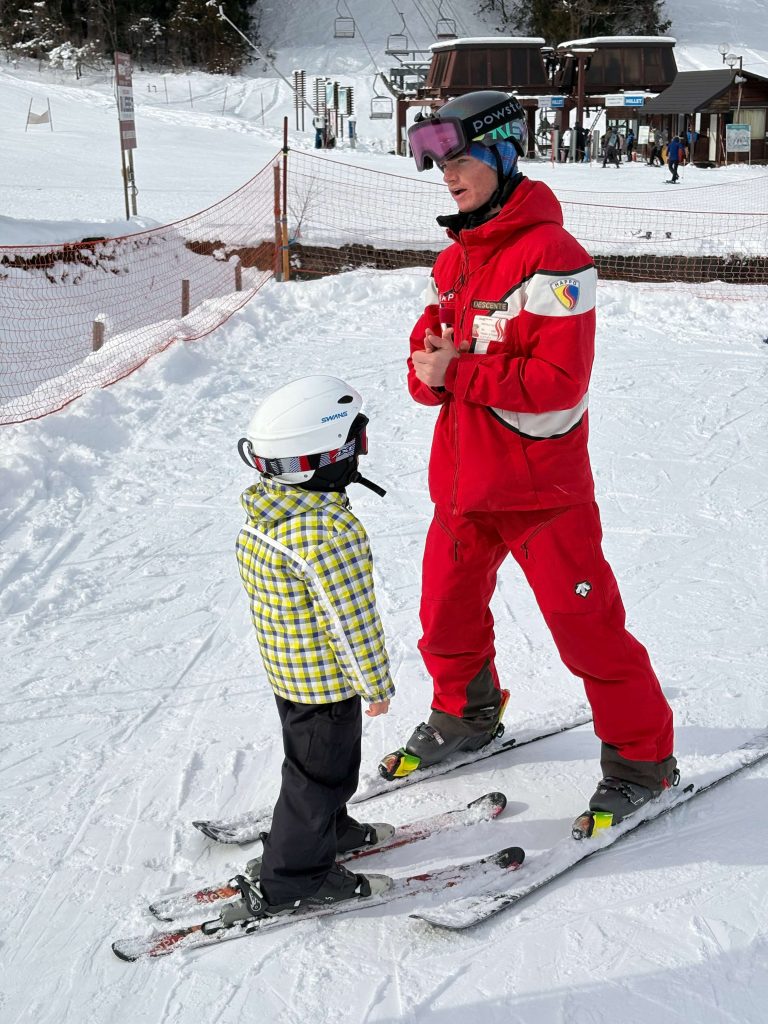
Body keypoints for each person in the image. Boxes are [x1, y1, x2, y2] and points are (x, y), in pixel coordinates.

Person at [399, 90, 678, 827]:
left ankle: (642, 759)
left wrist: (455, 372)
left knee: (586, 630)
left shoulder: (556, 258)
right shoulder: (454, 259)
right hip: (462, 487)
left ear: (500, 151)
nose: (449, 175)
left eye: (459, 158)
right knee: (443, 620)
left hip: (540, 491)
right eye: (440, 163)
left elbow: (559, 392)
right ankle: (467, 715)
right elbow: (426, 353)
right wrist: (431, 371)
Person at [231, 375, 395, 918]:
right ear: (323, 460)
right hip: (326, 683)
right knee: (319, 776)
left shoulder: (265, 514)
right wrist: (375, 685)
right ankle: (294, 877)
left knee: (323, 767)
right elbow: (352, 623)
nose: (362, 452)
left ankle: (330, 829)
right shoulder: (329, 534)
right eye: (356, 444)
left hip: (290, 674)